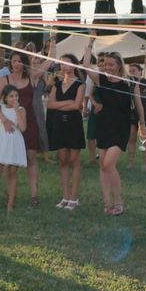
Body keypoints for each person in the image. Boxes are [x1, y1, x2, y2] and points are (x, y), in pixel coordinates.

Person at [83, 37, 146, 216]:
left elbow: (139, 104)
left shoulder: (131, 81)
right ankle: (107, 203)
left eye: (112, 64)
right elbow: (86, 64)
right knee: (103, 166)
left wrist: (143, 124)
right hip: (103, 124)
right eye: (106, 64)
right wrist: (90, 42)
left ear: (119, 65)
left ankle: (118, 200)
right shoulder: (100, 79)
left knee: (108, 163)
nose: (108, 67)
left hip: (121, 127)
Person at [0, 48, 49, 208]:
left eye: (19, 61)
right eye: (14, 61)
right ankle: (10, 195)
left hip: (29, 121)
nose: (16, 64)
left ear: (25, 63)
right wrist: (3, 120)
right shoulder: (4, 80)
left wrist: (52, 39)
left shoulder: (32, 77)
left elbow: (50, 60)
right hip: (9, 124)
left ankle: (34, 196)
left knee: (31, 158)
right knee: (9, 162)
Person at [47, 54, 86, 210]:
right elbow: (49, 105)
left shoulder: (80, 84)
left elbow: (77, 106)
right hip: (59, 124)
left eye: (67, 63)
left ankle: (74, 198)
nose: (64, 66)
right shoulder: (57, 84)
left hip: (74, 125)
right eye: (61, 63)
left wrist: (63, 104)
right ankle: (65, 196)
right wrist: (67, 103)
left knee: (74, 160)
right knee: (63, 159)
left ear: (75, 66)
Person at [0, 85, 27, 211]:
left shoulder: (21, 109)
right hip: (3, 141)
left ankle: (10, 204)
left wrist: (16, 110)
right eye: (11, 96)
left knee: (12, 173)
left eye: (16, 96)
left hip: (15, 142)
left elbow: (23, 128)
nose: (14, 98)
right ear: (5, 98)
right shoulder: (0, 108)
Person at [29, 39, 57, 164]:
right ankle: (28, 155)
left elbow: (51, 58)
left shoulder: (42, 76)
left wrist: (53, 41)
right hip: (28, 106)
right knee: (28, 130)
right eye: (34, 60)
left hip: (38, 106)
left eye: (38, 61)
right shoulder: (29, 74)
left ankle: (45, 157)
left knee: (41, 130)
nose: (36, 62)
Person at [127, 63, 146, 171]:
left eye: (134, 70)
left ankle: (145, 164)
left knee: (144, 140)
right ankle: (130, 163)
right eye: (130, 70)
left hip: (145, 113)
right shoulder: (128, 83)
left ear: (140, 71)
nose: (131, 72)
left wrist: (137, 82)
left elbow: (144, 97)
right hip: (131, 114)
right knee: (131, 138)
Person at [84, 54, 106, 164]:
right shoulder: (94, 76)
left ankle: (103, 157)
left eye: (103, 64)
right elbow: (89, 93)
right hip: (95, 108)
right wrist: (94, 104)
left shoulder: (111, 77)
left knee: (104, 134)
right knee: (91, 134)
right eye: (99, 64)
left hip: (107, 109)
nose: (101, 66)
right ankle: (92, 157)